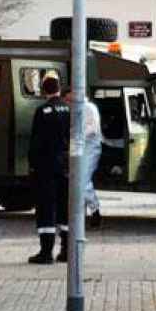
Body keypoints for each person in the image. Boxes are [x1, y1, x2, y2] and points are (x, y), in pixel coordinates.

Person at [27, 75, 71, 264]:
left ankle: (46, 252)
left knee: (46, 207)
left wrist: (32, 163)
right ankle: (66, 251)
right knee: (63, 207)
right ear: (59, 89)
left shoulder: (41, 111)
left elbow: (36, 141)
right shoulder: (68, 110)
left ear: (44, 91)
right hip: (64, 165)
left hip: (45, 166)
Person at [67, 90, 104, 230]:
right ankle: (84, 214)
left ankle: (95, 210)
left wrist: (74, 133)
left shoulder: (88, 108)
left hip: (90, 146)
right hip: (81, 146)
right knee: (79, 180)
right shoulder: (77, 109)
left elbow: (91, 129)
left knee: (82, 180)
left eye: (68, 99)